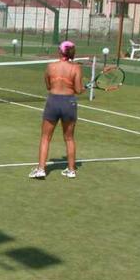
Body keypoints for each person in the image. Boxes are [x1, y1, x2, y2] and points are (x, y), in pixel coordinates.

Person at [29, 40, 84, 179]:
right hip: (69, 103)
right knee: (69, 138)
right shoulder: (76, 68)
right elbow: (78, 90)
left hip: (53, 102)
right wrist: (81, 89)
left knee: (45, 137)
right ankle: (71, 170)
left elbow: (48, 86)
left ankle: (41, 169)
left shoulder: (50, 66)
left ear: (60, 51)